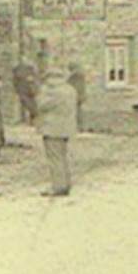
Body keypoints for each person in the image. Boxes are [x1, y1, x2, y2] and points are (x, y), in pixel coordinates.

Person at [35, 66, 79, 196]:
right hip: (66, 128)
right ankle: (65, 183)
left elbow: (42, 106)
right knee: (62, 157)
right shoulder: (70, 90)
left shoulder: (53, 92)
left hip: (52, 128)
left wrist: (42, 94)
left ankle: (58, 186)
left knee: (54, 158)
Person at [67, 61, 87, 130]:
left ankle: (78, 126)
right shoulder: (80, 76)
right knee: (78, 111)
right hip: (79, 96)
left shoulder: (75, 76)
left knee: (76, 112)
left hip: (76, 97)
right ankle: (79, 126)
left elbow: (75, 87)